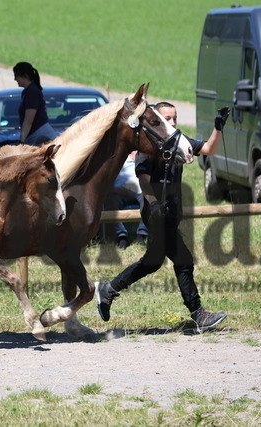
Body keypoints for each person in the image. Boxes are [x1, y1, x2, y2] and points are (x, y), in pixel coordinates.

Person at [96, 102, 231, 332]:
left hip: (171, 213)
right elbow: (144, 181)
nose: (173, 123)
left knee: (152, 262)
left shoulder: (179, 142)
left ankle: (109, 289)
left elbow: (209, 149)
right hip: (156, 213)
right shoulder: (149, 145)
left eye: (175, 118)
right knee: (184, 260)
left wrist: (218, 128)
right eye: (167, 118)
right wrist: (154, 205)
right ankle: (199, 314)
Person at [107, 151, 148, 249]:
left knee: (149, 200)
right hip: (120, 192)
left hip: (140, 192)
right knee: (111, 202)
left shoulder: (145, 160)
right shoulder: (119, 160)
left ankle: (141, 235)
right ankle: (122, 237)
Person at [12, 62, 57, 146]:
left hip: (41, 137)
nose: (15, 79)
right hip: (35, 136)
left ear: (25, 75)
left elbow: (29, 119)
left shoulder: (32, 92)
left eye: (16, 75)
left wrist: (21, 141)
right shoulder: (27, 92)